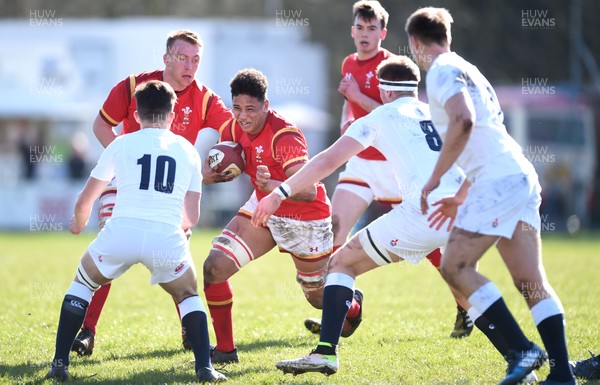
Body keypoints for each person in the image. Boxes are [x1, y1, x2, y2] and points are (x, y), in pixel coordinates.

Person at [251, 56, 536, 384]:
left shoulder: (380, 115)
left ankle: (326, 351)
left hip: (426, 210)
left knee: (342, 262)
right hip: (468, 206)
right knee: (464, 279)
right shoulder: (438, 112)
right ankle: (519, 359)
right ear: (415, 90)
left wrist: (279, 192)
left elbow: (328, 160)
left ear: (384, 93)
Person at [407, 7, 575, 385]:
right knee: (531, 280)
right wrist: (461, 193)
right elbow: (485, 138)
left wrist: (434, 180)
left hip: (498, 182)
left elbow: (464, 122)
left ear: (415, 43)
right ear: (448, 36)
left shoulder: (439, 71)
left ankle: (522, 350)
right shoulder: (471, 70)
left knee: (454, 267)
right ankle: (562, 374)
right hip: (518, 174)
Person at [306, 0, 472, 339]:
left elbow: (397, 112)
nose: (365, 35)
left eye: (372, 29)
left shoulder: (392, 65)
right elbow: (349, 105)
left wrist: (357, 98)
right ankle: (345, 310)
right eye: (360, 28)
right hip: (363, 164)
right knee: (334, 232)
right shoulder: (349, 63)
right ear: (352, 31)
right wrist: (345, 121)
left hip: (396, 167)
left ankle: (465, 306)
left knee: (432, 245)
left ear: (383, 33)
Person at [46, 80, 226, 383]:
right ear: (172, 115)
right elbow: (191, 217)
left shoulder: (121, 143)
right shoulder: (189, 151)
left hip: (122, 232)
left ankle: (60, 364)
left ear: (137, 114)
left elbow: (86, 199)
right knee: (188, 295)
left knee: (82, 283)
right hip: (166, 237)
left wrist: (78, 223)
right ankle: (204, 368)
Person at [72, 29, 234, 357]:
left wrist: (224, 166)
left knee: (177, 257)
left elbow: (232, 134)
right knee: (108, 244)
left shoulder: (205, 98)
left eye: (195, 60)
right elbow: (101, 125)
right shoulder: (134, 86)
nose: (190, 66)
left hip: (169, 191)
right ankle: (86, 330)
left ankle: (190, 331)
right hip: (126, 184)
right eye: (183, 58)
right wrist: (121, 160)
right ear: (166, 58)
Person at [201, 68, 363, 364]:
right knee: (214, 268)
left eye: (251, 108)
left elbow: (310, 191)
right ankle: (225, 350)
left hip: (306, 220)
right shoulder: (234, 129)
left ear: (266, 104)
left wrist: (271, 186)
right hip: (262, 209)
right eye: (237, 107)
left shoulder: (284, 134)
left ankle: (352, 306)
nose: (243, 116)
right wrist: (212, 174)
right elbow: (211, 174)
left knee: (317, 298)